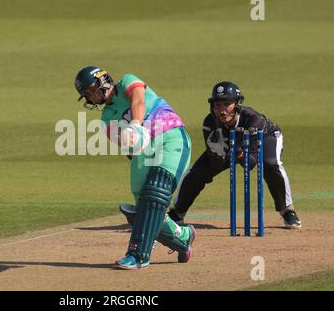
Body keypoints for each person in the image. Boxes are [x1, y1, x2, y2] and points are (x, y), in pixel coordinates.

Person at [74, 66, 195, 270]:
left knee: (156, 193)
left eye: (91, 90)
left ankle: (137, 255)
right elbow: (120, 140)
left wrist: (137, 125)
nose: (91, 97)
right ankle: (183, 237)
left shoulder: (127, 81)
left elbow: (138, 100)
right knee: (144, 209)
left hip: (171, 136)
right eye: (86, 95)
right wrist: (130, 140)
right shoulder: (106, 118)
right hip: (143, 152)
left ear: (103, 80)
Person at [167, 81, 302, 230]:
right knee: (197, 172)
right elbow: (215, 163)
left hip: (268, 137)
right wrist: (227, 153)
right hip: (229, 146)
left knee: (270, 164)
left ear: (237, 105)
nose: (222, 110)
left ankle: (288, 211)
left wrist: (238, 154)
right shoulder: (210, 123)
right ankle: (177, 213)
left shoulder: (253, 121)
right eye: (217, 105)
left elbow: (250, 163)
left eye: (227, 104)